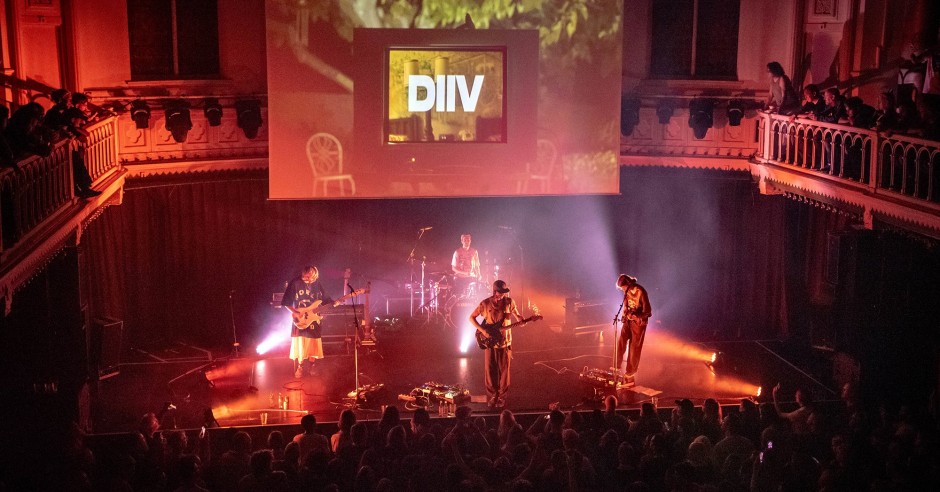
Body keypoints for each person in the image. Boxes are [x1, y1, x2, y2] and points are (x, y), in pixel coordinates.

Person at [469, 279, 521, 408]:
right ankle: (493, 396)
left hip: (505, 342)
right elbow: (471, 317)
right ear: (495, 291)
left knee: (504, 372)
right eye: (500, 292)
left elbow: (516, 314)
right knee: (490, 371)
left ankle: (502, 397)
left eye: (504, 292)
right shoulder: (485, 303)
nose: (503, 294)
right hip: (490, 343)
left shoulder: (509, 302)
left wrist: (521, 319)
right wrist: (483, 331)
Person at [281, 266, 339, 378]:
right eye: (305, 276)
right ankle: (300, 366)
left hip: (314, 318)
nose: (307, 279)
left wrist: (334, 302)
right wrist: (295, 312)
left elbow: (326, 299)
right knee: (300, 343)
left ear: (315, 275)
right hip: (300, 319)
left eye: (310, 277)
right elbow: (285, 302)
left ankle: (312, 366)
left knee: (313, 343)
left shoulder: (317, 284)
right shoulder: (295, 283)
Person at [615, 274, 651, 385]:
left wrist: (635, 316)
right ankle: (616, 365)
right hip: (628, 321)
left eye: (623, 288)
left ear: (628, 284)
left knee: (634, 347)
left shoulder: (641, 291)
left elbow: (648, 311)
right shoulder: (626, 292)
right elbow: (626, 306)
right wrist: (624, 315)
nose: (623, 290)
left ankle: (630, 372)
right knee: (621, 340)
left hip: (638, 324)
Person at [451, 233, 481, 297]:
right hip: (460, 278)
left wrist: (479, 274)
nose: (466, 242)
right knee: (460, 296)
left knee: (473, 296)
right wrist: (464, 273)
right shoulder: (457, 252)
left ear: (470, 241)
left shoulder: (474, 252)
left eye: (468, 240)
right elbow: (453, 268)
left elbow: (477, 265)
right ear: (462, 241)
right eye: (465, 240)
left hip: (471, 278)